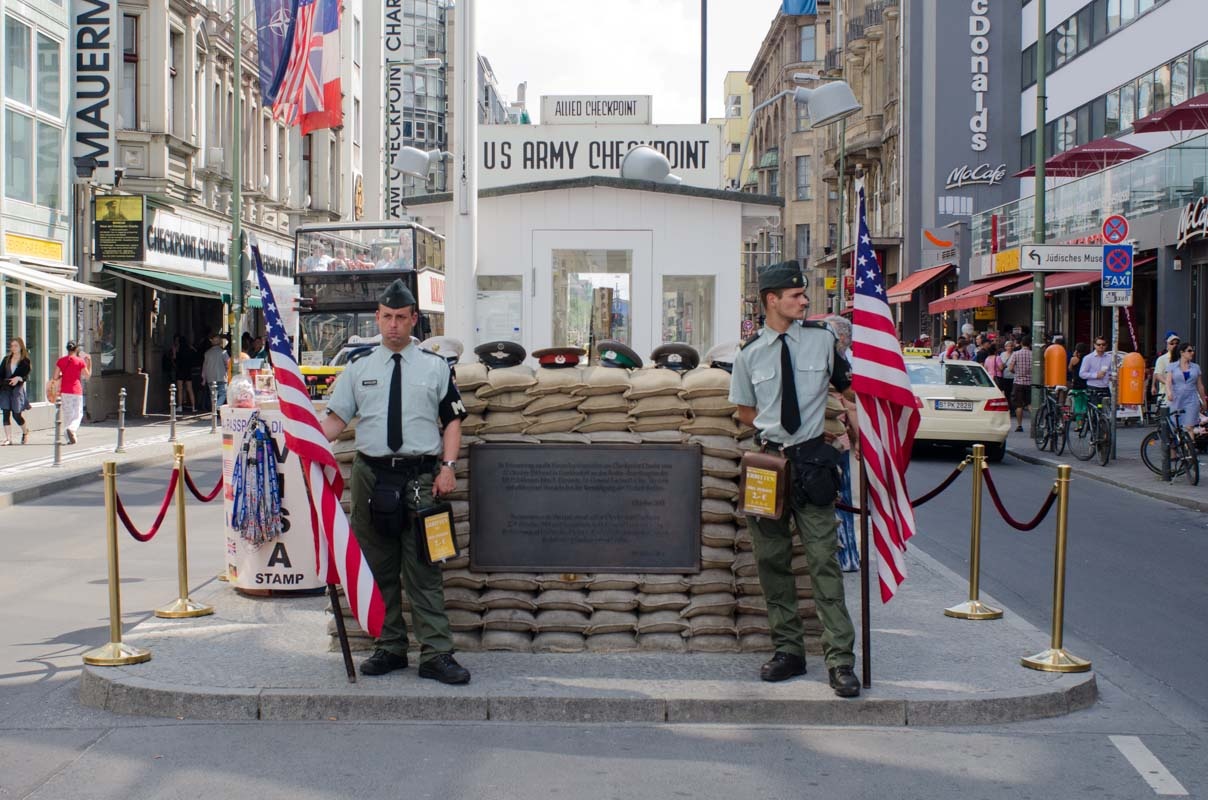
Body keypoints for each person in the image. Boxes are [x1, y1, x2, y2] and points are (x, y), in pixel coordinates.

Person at [320, 278, 470, 683]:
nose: (393, 326)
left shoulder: (435, 368)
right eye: (387, 318)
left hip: (422, 478)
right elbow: (335, 422)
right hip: (372, 478)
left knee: (424, 567)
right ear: (378, 318)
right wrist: (304, 444)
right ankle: (390, 647)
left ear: (414, 320)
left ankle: (436, 653)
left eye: (401, 318)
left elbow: (452, 421)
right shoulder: (359, 369)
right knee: (378, 566)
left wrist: (448, 467)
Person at [728, 260, 861, 699]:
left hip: (813, 463)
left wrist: (856, 424)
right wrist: (775, 428)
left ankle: (840, 660)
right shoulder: (749, 354)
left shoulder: (823, 343)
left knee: (824, 562)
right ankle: (789, 651)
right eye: (796, 296)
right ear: (772, 300)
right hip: (768, 465)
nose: (805, 301)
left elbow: (847, 389)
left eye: (804, 295)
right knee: (772, 563)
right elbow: (746, 412)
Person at [824, 315, 859, 574]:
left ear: (843, 338)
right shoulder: (841, 362)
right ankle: (846, 555)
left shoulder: (840, 364)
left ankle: (845, 555)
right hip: (838, 440)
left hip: (834, 440)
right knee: (840, 496)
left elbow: (851, 405)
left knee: (839, 498)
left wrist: (856, 438)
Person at [52, 342, 91, 444]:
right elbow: (87, 376)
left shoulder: (61, 361)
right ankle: (72, 429)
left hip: (65, 391)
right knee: (78, 414)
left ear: (67, 349)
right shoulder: (80, 361)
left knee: (68, 415)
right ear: (76, 349)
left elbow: (55, 377)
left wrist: (62, 375)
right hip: (76, 390)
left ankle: (69, 438)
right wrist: (89, 362)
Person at [1164, 342, 1206, 432]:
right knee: (1176, 426)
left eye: (1192, 350)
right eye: (1189, 351)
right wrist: (1169, 392)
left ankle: (1190, 446)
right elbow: (1168, 382)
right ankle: (1178, 444)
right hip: (1177, 399)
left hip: (1192, 399)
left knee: (1189, 427)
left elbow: (1200, 386)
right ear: (1182, 352)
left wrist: (1204, 401)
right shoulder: (1172, 366)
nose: (1192, 353)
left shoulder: (1196, 367)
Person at [0, 338, 32, 445]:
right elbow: (1, 374)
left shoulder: (25, 361)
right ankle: (8, 438)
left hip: (17, 391)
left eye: (16, 346)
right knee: (5, 412)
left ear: (21, 347)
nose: (13, 348)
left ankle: (25, 431)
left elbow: (26, 376)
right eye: (12, 346)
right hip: (5, 389)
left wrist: (18, 378)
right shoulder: (6, 359)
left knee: (16, 414)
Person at [202, 335, 231, 408]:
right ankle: (217, 407)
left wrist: (204, 379)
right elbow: (228, 364)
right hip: (221, 376)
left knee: (213, 395)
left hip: (210, 377)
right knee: (223, 393)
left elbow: (204, 366)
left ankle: (214, 409)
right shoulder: (223, 352)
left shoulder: (207, 353)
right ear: (220, 342)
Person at [1011, 336, 1033, 432]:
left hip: (1018, 382)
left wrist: (1016, 372)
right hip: (1030, 382)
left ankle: (1019, 425)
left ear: (1021, 344)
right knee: (1030, 404)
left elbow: (1010, 368)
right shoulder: (1033, 354)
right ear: (1030, 344)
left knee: (1019, 405)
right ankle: (1035, 423)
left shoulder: (1016, 354)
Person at [1152, 333, 1180, 401]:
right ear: (1167, 345)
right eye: (1172, 343)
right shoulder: (1162, 359)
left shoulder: (1183, 358)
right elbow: (1158, 374)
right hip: (1166, 397)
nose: (1175, 345)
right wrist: (1168, 383)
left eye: (1177, 343)